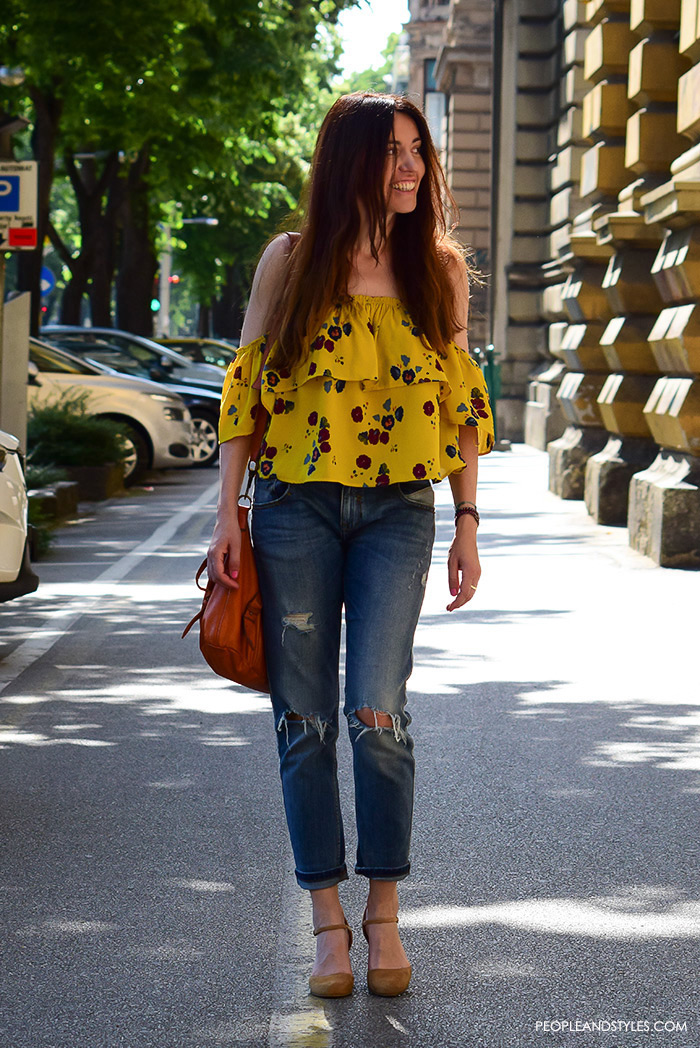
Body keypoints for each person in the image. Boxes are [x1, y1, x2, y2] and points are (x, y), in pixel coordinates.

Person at [207, 92, 494, 999]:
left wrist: (468, 523)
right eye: (392, 152)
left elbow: (460, 407)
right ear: (348, 162)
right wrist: (227, 518)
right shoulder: (290, 263)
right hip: (293, 510)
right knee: (303, 721)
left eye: (418, 152)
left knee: (378, 713)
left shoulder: (437, 268)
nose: (411, 168)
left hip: (399, 514)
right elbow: (246, 396)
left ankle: (384, 913)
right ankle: (326, 923)